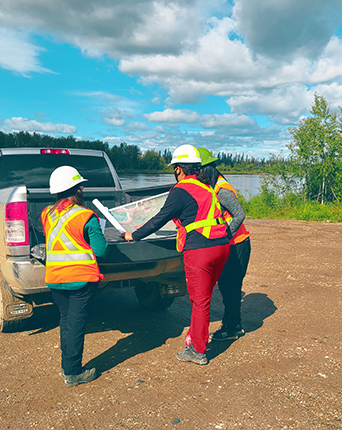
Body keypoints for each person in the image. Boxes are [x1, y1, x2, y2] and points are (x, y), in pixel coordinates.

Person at [122, 145, 230, 365]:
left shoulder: (181, 190)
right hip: (222, 246)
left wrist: (134, 235)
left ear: (179, 168)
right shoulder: (207, 186)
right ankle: (194, 338)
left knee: (200, 302)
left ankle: (198, 351)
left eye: (175, 168)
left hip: (201, 249)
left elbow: (159, 218)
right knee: (204, 298)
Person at [41, 166, 108, 387]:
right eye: (81, 186)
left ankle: (66, 366)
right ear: (76, 189)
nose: (83, 188)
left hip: (55, 278)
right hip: (80, 280)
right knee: (76, 324)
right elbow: (100, 250)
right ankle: (72, 373)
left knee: (65, 322)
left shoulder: (46, 214)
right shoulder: (86, 215)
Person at [196, 148, 251, 341]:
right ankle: (231, 324)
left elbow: (240, 214)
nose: (196, 174)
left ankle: (233, 327)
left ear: (207, 169)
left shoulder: (222, 189)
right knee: (226, 286)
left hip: (237, 244)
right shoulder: (211, 186)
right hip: (229, 243)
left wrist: (225, 236)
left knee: (231, 286)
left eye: (199, 170)